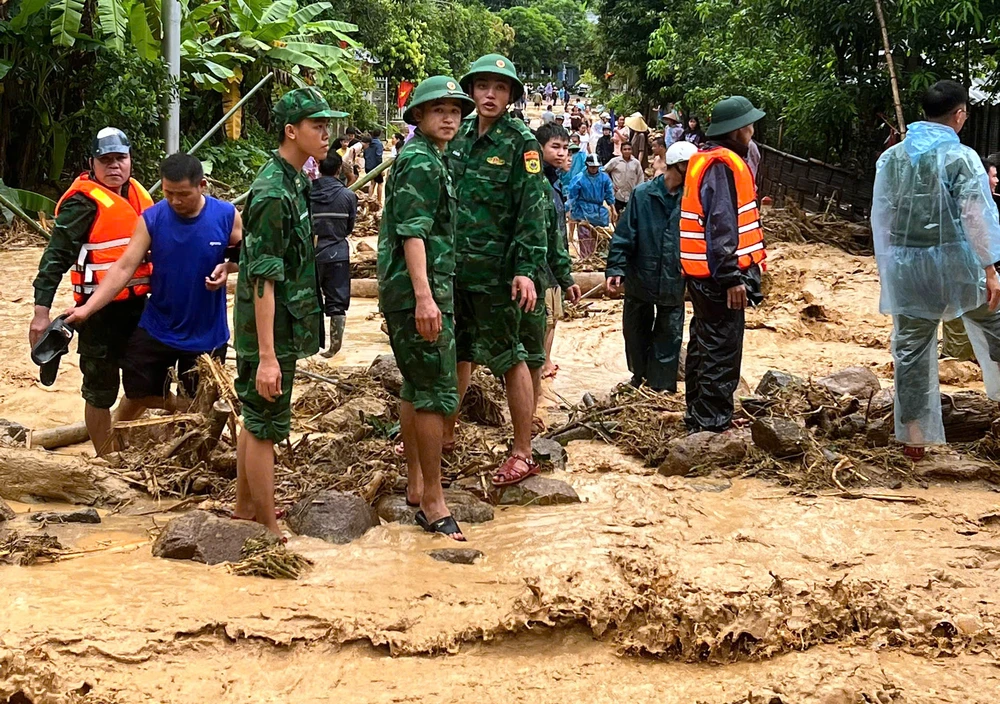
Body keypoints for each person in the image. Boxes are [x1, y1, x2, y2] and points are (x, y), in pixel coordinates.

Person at [872, 80, 1000, 460]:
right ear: (959, 115)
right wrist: (990, 269)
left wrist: (889, 269)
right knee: (996, 323)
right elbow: (975, 215)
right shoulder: (962, 158)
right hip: (958, 266)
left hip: (907, 267)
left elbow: (883, 215)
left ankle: (914, 440)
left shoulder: (892, 158)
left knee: (911, 350)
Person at [233, 87, 335, 537]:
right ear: (291, 131)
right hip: (268, 327)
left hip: (283, 321)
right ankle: (269, 529)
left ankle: (245, 510)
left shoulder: (294, 179)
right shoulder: (274, 191)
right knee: (265, 424)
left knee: (257, 416)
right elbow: (263, 278)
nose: (326, 134)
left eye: (327, 125)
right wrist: (267, 356)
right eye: (317, 126)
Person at [65, 153, 240, 411]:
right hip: (159, 326)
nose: (175, 201)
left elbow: (245, 257)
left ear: (202, 185)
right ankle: (174, 410)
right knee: (137, 390)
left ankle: (186, 422)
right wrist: (87, 309)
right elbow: (124, 267)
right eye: (169, 193)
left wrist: (228, 268)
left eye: (183, 194)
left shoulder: (226, 215)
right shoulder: (153, 218)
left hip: (207, 332)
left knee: (202, 405)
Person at [446, 54, 550, 487]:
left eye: (500, 88)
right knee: (458, 352)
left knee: (511, 357)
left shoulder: (521, 143)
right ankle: (444, 434)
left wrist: (526, 269)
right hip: (456, 269)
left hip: (500, 274)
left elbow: (533, 211)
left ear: (510, 96)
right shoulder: (458, 133)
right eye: (483, 86)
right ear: (471, 90)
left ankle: (522, 451)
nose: (490, 95)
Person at [380, 76, 475, 540]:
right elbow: (413, 233)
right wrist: (424, 297)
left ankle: (418, 485)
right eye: (439, 110)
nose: (449, 118)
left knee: (416, 386)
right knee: (437, 391)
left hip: (417, 290)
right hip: (421, 291)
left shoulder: (429, 157)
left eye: (455, 111)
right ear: (417, 115)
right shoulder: (420, 161)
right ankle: (434, 502)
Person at [30, 128, 152, 455]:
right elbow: (55, 257)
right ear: (92, 163)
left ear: (130, 160)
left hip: (141, 306)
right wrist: (41, 313)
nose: (114, 166)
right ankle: (106, 456)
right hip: (97, 313)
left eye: (120, 158)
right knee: (99, 390)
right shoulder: (82, 204)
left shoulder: (138, 194)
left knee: (147, 378)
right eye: (105, 159)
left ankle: (120, 433)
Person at [680, 96, 767, 433]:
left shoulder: (704, 159)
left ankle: (699, 413)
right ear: (736, 130)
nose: (752, 131)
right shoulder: (722, 165)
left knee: (704, 343)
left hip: (703, 273)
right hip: (720, 277)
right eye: (749, 125)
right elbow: (721, 224)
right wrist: (732, 278)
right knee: (721, 349)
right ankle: (712, 422)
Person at [606, 141, 695, 392]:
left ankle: (661, 388)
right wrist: (615, 267)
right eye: (690, 167)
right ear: (677, 166)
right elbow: (625, 234)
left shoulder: (693, 199)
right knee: (635, 332)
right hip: (641, 276)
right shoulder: (643, 195)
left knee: (669, 335)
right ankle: (639, 378)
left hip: (673, 278)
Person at [522, 122, 582, 429]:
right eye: (555, 147)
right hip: (537, 272)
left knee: (552, 319)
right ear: (539, 148)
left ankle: (545, 367)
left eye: (565, 148)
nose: (561, 153)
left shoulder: (555, 183)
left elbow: (556, 236)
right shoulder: (535, 183)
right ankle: (530, 410)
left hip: (553, 271)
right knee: (541, 326)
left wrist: (566, 275)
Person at [312, 152, 358, 358]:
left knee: (308, 299)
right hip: (337, 252)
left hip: (311, 254)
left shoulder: (307, 192)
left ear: (318, 167)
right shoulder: (348, 196)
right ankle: (334, 347)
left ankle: (309, 346)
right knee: (337, 302)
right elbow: (349, 227)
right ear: (339, 169)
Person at [568, 153, 615, 257]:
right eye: (592, 166)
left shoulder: (604, 178)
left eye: (596, 167)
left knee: (600, 238)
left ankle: (600, 258)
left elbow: (609, 194)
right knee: (585, 238)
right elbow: (572, 197)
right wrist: (570, 210)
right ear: (587, 165)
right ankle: (587, 259)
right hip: (583, 211)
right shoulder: (579, 178)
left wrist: (613, 208)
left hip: (599, 213)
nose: (594, 169)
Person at [604, 142, 645, 216]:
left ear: (632, 150)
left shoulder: (636, 163)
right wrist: (611, 184)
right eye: (625, 149)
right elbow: (604, 171)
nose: (627, 151)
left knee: (630, 216)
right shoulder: (615, 161)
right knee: (616, 216)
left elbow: (640, 176)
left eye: (629, 149)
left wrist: (638, 190)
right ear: (621, 150)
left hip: (631, 195)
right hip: (618, 195)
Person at [363, 129, 385, 207]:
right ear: (379, 135)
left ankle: (369, 199)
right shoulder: (379, 144)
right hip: (376, 167)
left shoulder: (368, 142)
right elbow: (379, 156)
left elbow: (364, 154)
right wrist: (381, 168)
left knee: (372, 183)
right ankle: (379, 202)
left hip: (368, 166)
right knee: (380, 183)